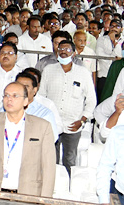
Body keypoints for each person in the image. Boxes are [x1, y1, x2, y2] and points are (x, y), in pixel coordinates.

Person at [0, 82, 56, 196]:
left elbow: (49, 168)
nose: (9, 99)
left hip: (28, 195)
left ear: (26, 101)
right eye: (6, 95)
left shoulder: (42, 127)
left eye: (15, 96)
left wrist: (45, 200)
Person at [38, 39, 95, 174]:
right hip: (51, 123)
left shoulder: (83, 73)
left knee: (69, 160)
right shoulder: (48, 70)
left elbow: (92, 100)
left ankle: (67, 189)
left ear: (74, 53)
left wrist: (82, 120)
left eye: (67, 50)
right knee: (50, 159)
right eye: (60, 49)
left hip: (73, 124)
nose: (63, 52)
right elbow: (41, 97)